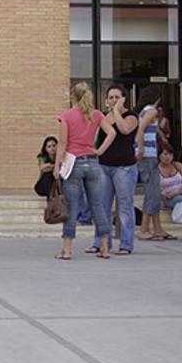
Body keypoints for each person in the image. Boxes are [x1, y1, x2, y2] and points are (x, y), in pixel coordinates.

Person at [53, 82, 116, 260]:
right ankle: (104, 248)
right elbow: (111, 133)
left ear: (73, 96)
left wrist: (57, 165)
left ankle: (67, 249)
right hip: (93, 163)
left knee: (72, 207)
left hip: (74, 162)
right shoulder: (95, 114)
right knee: (98, 206)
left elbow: (63, 143)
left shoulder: (67, 115)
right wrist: (99, 150)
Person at [86, 84, 139, 256]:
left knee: (124, 206)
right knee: (102, 206)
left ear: (124, 98)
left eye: (117, 97)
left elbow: (124, 129)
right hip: (104, 166)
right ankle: (100, 242)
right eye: (111, 97)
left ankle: (126, 244)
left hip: (124, 168)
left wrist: (116, 111)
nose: (114, 100)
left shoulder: (131, 116)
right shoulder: (103, 117)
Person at [136, 85, 176, 241]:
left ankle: (158, 228)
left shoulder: (144, 111)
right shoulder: (151, 111)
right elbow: (140, 129)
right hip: (148, 155)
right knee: (152, 192)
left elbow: (147, 128)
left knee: (154, 191)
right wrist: (140, 149)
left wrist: (159, 133)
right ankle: (144, 228)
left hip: (148, 154)